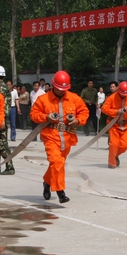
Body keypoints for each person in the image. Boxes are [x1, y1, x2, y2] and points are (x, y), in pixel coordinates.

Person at [30, 70, 88, 203]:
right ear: (53, 86)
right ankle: (60, 192)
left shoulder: (74, 98)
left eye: (64, 89)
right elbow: (33, 114)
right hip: (50, 136)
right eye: (59, 89)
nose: (61, 91)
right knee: (57, 162)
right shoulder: (43, 99)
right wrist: (46, 116)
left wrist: (78, 120)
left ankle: (47, 182)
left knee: (57, 164)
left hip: (68, 137)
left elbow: (84, 111)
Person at [101, 81, 127, 169]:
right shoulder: (111, 98)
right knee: (114, 144)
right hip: (113, 124)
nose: (124, 96)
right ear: (118, 90)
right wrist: (116, 112)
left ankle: (114, 155)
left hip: (125, 125)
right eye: (122, 94)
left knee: (124, 145)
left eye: (125, 94)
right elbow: (104, 109)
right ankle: (112, 163)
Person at [0, 65, 15, 175]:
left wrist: (2, 121)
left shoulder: (2, 88)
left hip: (1, 121)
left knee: (2, 145)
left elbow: (5, 107)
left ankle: (10, 167)